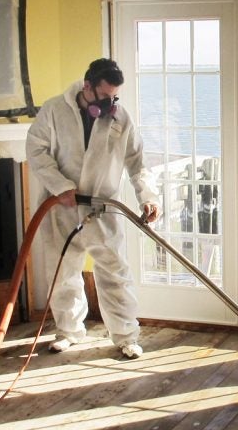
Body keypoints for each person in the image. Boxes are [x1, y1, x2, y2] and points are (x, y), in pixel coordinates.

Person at [26, 58, 161, 359]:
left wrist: (148, 197)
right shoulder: (54, 111)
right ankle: (69, 330)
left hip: (102, 207)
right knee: (63, 271)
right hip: (63, 205)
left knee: (115, 272)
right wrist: (60, 185)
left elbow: (137, 162)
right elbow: (36, 150)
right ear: (87, 87)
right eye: (104, 97)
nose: (110, 103)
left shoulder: (120, 118)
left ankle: (126, 335)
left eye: (115, 97)